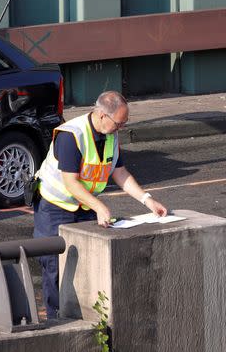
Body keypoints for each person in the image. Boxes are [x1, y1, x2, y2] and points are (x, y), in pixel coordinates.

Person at [32, 90, 167, 319]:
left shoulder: (111, 135)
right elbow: (71, 183)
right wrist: (99, 207)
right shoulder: (71, 135)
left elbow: (120, 172)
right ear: (103, 115)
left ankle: (87, 317)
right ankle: (56, 321)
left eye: (124, 124)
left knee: (89, 262)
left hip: (84, 206)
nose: (121, 128)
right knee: (55, 265)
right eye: (119, 123)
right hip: (55, 207)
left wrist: (147, 200)